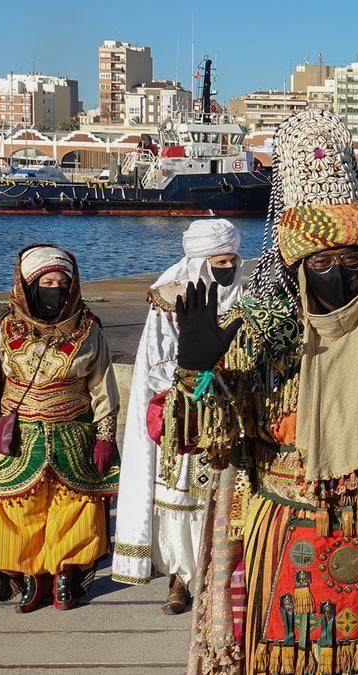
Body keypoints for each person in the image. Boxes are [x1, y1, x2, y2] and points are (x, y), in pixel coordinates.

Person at [171, 109, 358, 673]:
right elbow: (204, 442)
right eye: (321, 263)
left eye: (349, 262)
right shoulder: (261, 326)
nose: (336, 274)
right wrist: (196, 372)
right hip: (289, 532)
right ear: (295, 265)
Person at [111, 219, 244, 615]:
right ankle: (180, 577)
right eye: (221, 261)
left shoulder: (247, 297)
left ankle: (221, 570)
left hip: (233, 412)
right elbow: (154, 364)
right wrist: (195, 371)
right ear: (202, 262)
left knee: (227, 497)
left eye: (234, 259)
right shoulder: (170, 300)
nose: (229, 268)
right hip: (185, 415)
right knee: (180, 498)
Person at [0, 245, 119, 612]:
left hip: (73, 432)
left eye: (62, 282)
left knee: (73, 506)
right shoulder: (5, 327)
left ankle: (64, 577)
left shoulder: (89, 328)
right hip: (18, 437)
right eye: (46, 281)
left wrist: (105, 438)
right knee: (18, 509)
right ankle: (30, 578)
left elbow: (104, 388)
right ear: (28, 285)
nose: (55, 287)